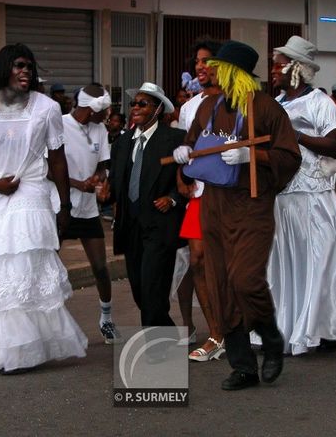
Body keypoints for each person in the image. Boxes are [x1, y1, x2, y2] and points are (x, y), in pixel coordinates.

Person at [174, 40, 301, 390]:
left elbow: (290, 158)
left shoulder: (267, 108)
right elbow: (194, 145)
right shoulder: (207, 107)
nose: (209, 72)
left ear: (233, 72)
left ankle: (271, 338)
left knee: (246, 280)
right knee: (221, 286)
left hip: (252, 206)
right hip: (214, 206)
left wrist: (254, 157)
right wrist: (185, 154)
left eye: (217, 67)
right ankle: (243, 366)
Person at [0, 43, 87, 374]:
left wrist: (65, 203)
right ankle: (4, 350)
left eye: (29, 66)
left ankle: (27, 349)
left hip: (31, 192)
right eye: (18, 65)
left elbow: (57, 158)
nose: (25, 71)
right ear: (3, 70)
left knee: (26, 266)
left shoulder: (47, 108)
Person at [264, 35, 336, 355]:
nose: (272, 70)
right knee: (285, 264)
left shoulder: (319, 101)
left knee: (319, 263)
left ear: (296, 69)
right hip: (283, 195)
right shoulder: (276, 103)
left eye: (278, 65)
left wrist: (295, 135)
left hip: (313, 196)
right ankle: (282, 327)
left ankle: (320, 327)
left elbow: (333, 144)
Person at [108, 82, 186, 328]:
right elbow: (116, 181)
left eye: (143, 103)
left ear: (158, 109)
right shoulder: (123, 142)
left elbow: (189, 176)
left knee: (153, 286)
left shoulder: (174, 138)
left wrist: (173, 197)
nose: (135, 108)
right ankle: (166, 333)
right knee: (141, 289)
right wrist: (105, 191)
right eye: (134, 103)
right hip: (130, 225)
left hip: (160, 225)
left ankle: (157, 349)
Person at [174, 39, 225, 362]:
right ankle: (215, 334)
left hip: (229, 196)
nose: (200, 67)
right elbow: (183, 148)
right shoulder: (190, 107)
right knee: (198, 262)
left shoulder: (240, 101)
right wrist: (181, 177)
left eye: (207, 61)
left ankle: (237, 328)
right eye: (197, 63)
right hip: (199, 194)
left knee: (230, 265)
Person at [60, 84, 121, 344]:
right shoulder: (59, 124)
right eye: (104, 110)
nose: (107, 115)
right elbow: (49, 168)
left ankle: (106, 319)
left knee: (100, 267)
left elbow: (103, 166)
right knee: (49, 270)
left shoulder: (99, 129)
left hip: (87, 210)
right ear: (89, 108)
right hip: (59, 207)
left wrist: (101, 180)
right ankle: (53, 325)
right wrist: (77, 184)